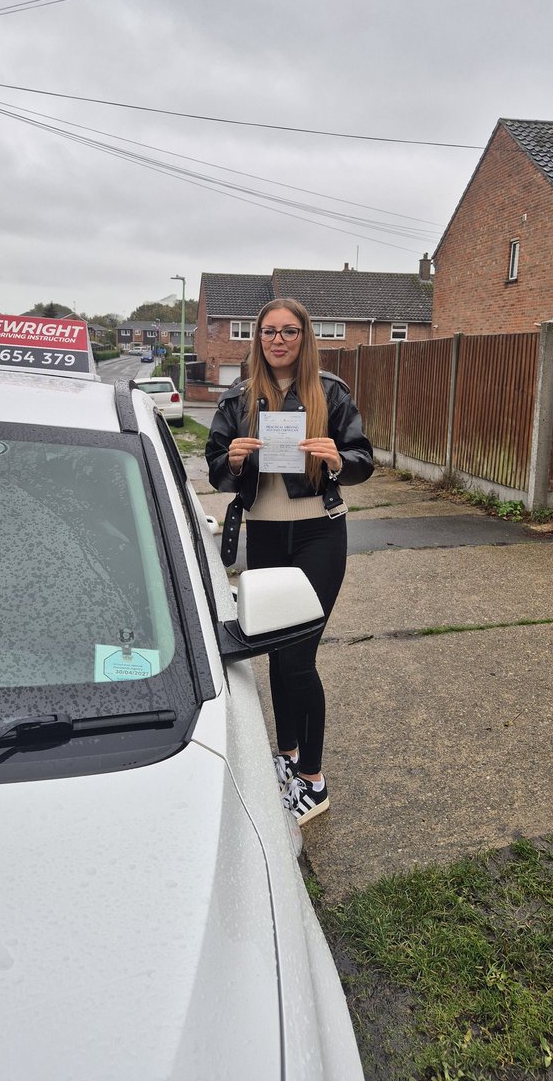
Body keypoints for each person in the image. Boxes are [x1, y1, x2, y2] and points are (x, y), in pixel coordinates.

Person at [205, 298, 373, 825]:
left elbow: (364, 460)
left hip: (320, 533)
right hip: (268, 535)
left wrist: (338, 460)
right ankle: (289, 756)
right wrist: (230, 461)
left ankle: (314, 782)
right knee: (277, 654)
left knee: (299, 658)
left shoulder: (331, 393)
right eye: (270, 332)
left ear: (304, 338)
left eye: (290, 332)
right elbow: (215, 469)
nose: (279, 340)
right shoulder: (238, 397)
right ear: (258, 338)